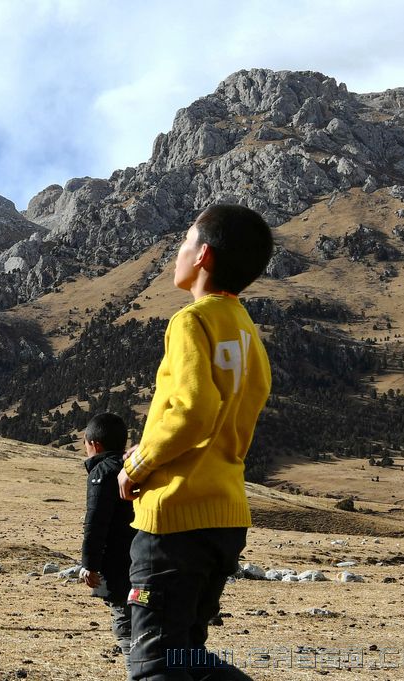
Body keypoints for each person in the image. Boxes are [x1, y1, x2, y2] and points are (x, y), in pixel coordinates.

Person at [118, 204, 273, 680]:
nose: (176, 254)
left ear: (203, 255)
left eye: (183, 243)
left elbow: (193, 412)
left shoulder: (191, 321)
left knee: (155, 664)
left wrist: (138, 464)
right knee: (187, 656)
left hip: (176, 517)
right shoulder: (249, 332)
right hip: (225, 517)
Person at [79, 412, 136, 659]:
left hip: (119, 567)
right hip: (145, 562)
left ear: (94, 444)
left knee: (125, 625)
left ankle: (140, 671)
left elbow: (96, 522)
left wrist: (89, 565)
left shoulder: (102, 473)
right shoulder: (134, 468)